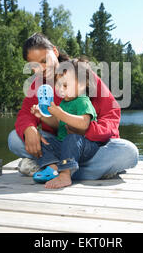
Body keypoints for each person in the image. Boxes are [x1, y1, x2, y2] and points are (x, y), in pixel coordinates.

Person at [7, 32, 138, 180]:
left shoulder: (79, 73)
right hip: (60, 144)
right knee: (14, 139)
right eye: (34, 66)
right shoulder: (37, 86)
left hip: (90, 145)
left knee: (128, 152)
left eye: (44, 60)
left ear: (55, 52)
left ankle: (53, 168)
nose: (41, 68)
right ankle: (89, 170)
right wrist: (29, 128)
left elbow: (111, 112)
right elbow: (25, 114)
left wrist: (86, 131)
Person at [30, 58, 103, 189]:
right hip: (65, 146)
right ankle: (52, 167)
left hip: (84, 146)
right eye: (59, 85)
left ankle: (65, 174)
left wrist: (61, 113)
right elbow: (58, 123)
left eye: (65, 85)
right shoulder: (64, 102)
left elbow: (84, 123)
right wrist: (41, 116)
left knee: (72, 138)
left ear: (81, 85)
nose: (61, 90)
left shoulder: (83, 101)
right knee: (44, 140)